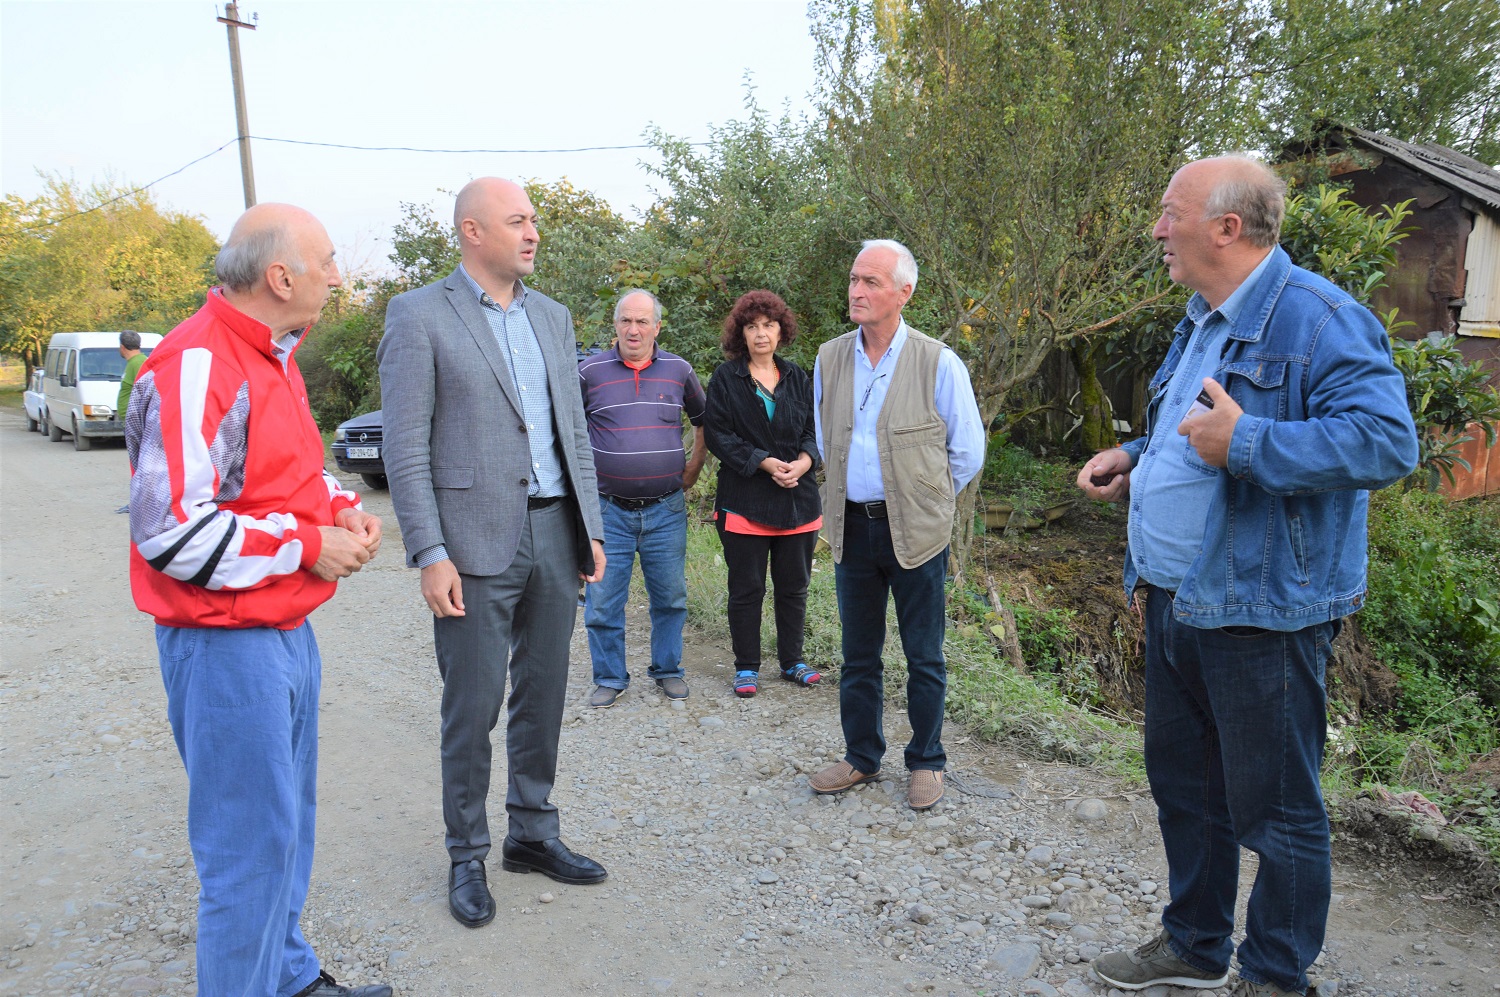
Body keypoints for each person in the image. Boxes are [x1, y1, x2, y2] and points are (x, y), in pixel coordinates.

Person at [1076, 156, 1418, 997]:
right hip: (1175, 599)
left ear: (1227, 227)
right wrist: (1134, 455)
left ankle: (1273, 974)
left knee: (1278, 809)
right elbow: (1190, 425)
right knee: (1186, 788)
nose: (1157, 230)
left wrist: (1251, 442)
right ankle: (1194, 944)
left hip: (1263, 612)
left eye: (1170, 213)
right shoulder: (1201, 318)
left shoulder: (1321, 319)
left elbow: (1386, 442)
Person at [125, 203, 391, 997]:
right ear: (281, 277)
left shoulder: (274, 355)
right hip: (224, 643)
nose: (338, 277)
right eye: (329, 261)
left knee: (283, 831)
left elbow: (288, 475)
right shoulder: (196, 363)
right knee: (247, 853)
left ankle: (289, 976)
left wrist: (338, 507)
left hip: (281, 629)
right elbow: (169, 531)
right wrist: (309, 544)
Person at [377, 177, 610, 932]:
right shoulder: (419, 314)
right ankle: (467, 853)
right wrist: (429, 551)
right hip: (471, 545)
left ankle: (531, 834)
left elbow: (573, 431)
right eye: (517, 221)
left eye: (534, 220)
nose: (533, 232)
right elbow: (405, 446)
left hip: (555, 532)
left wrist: (590, 526)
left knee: (543, 694)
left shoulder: (553, 316)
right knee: (472, 706)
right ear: (472, 231)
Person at [808, 240, 985, 811]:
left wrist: (925, 502)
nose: (857, 291)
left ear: (904, 293)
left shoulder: (938, 361)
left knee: (924, 655)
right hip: (852, 528)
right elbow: (825, 436)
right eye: (854, 279)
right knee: (858, 655)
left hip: (917, 532)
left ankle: (927, 760)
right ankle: (861, 756)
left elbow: (967, 452)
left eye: (871, 282)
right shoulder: (830, 357)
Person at [578, 288, 707, 707]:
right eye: (626, 320)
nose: (633, 329)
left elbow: (703, 420)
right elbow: (568, 430)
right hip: (606, 511)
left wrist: (694, 466)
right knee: (602, 601)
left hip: (665, 509)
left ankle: (668, 669)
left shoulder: (679, 370)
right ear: (615, 325)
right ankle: (609, 677)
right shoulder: (589, 373)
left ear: (657, 327)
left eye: (642, 321)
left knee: (670, 597)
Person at [703, 290, 823, 698]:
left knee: (794, 588)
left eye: (768, 325)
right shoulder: (726, 378)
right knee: (747, 589)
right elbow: (718, 436)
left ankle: (792, 661)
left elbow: (814, 430)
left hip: (797, 499)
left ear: (780, 331)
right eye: (752, 326)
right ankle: (746, 667)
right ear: (741, 333)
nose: (761, 334)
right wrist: (765, 463)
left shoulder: (798, 377)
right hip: (744, 502)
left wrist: (804, 462)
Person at [116, 330, 145, 418]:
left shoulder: (138, 363)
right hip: (129, 418)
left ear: (122, 347)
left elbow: (145, 392)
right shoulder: (133, 362)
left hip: (134, 419)